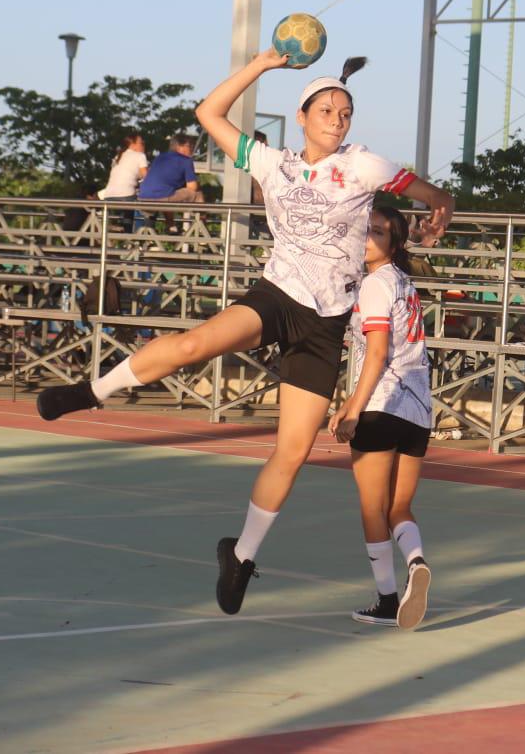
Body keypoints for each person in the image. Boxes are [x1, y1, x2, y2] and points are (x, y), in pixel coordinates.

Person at [35, 51, 455, 617]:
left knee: (293, 452)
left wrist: (438, 213)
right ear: (301, 116)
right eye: (326, 109)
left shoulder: (364, 167)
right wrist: (261, 64)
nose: (337, 118)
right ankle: (89, 393)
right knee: (193, 344)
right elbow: (208, 112)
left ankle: (242, 557)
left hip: (327, 322)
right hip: (277, 297)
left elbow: (436, 195)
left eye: (346, 111)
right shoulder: (271, 162)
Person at [329, 206, 433, 629]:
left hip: (381, 404)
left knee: (373, 508)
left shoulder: (374, 285)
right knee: (400, 506)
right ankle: (417, 560)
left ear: (394, 243)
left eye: (378, 232)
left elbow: (376, 353)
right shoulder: (407, 285)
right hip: (419, 410)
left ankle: (388, 599)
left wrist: (352, 408)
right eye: (365, 230)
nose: (367, 237)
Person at [97, 133, 148, 232]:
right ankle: (137, 235)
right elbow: (147, 177)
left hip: (108, 196)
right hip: (125, 196)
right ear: (132, 144)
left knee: (128, 209)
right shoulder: (140, 156)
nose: (143, 145)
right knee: (147, 209)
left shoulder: (118, 157)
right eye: (141, 143)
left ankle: (121, 230)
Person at [139, 134, 202, 204]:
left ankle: (167, 215)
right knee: (197, 194)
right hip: (161, 198)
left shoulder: (159, 157)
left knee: (169, 193)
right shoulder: (186, 161)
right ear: (183, 146)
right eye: (191, 147)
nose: (192, 150)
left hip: (142, 197)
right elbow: (192, 187)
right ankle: (203, 215)